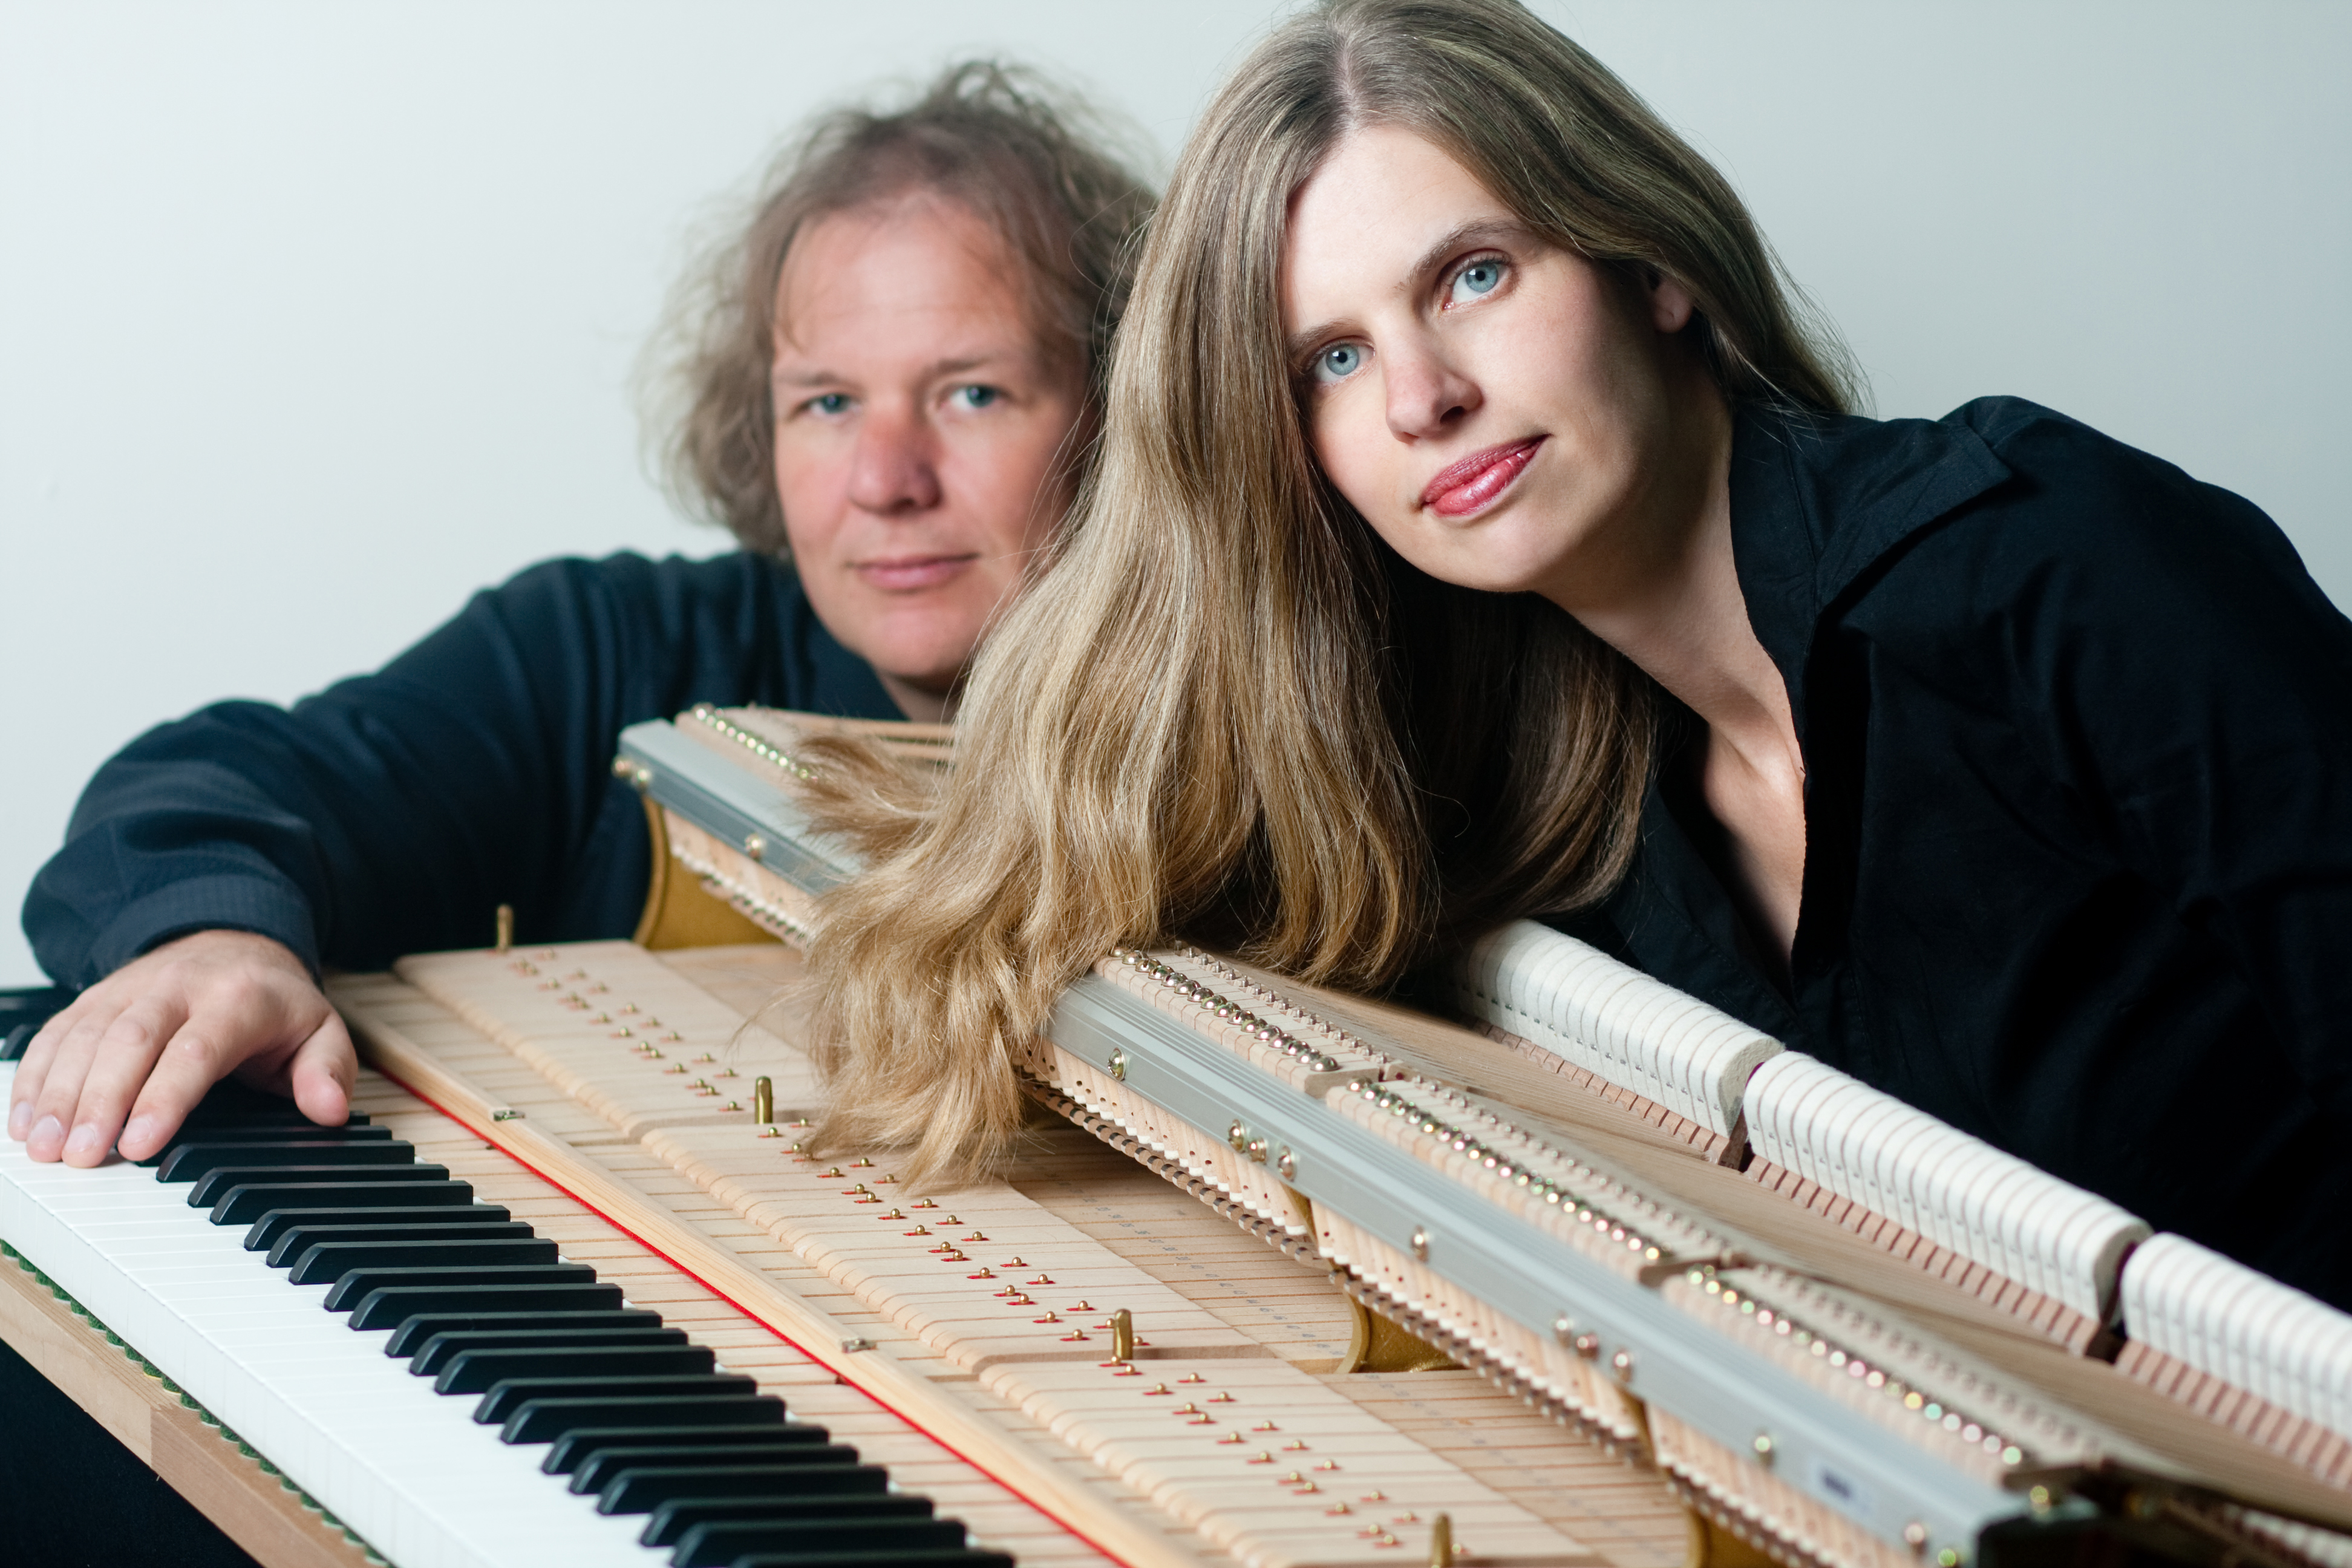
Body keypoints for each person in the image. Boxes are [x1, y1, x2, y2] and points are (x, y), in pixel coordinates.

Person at [796, 0, 2352, 1310]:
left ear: (1650, 264)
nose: (1420, 397)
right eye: (1332, 359)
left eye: (1473, 276)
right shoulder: (1536, 792)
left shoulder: (2051, 568)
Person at [11, 61, 1154, 1171]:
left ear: (1129, 413)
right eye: (829, 402)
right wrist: (217, 934)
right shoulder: (610, 651)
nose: (885, 478)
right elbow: (216, 783)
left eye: (972, 393)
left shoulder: (1247, 730)